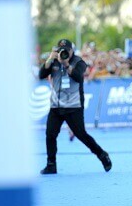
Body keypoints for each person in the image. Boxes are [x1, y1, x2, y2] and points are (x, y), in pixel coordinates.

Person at [39, 39, 112, 174]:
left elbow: (78, 77)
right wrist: (50, 59)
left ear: (72, 50)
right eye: (61, 50)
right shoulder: (54, 61)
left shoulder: (79, 62)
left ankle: (102, 155)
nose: (63, 53)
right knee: (50, 134)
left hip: (73, 106)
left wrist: (66, 64)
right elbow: (41, 75)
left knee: (81, 135)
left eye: (66, 50)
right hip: (56, 106)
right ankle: (51, 164)